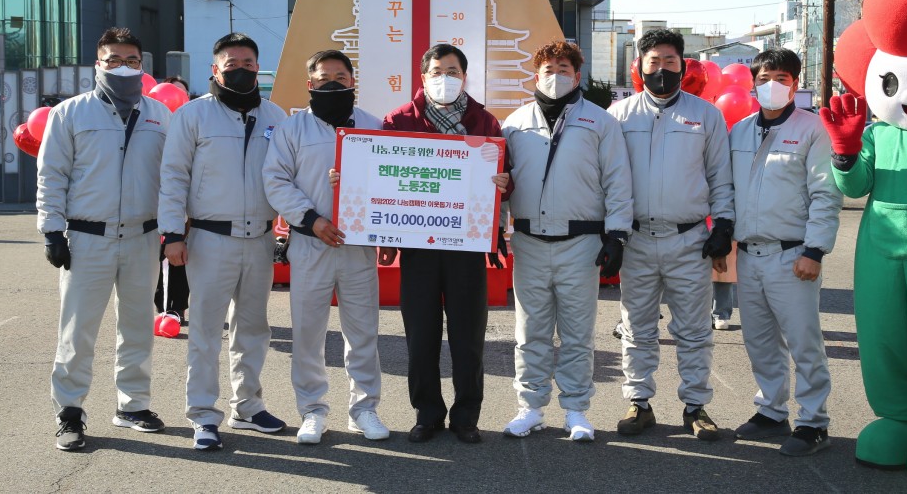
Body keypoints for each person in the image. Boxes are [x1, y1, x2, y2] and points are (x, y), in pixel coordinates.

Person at [36, 27, 172, 451]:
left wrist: (173, 229)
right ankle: (70, 411)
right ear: (98, 64)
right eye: (112, 60)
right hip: (86, 238)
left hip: (143, 237)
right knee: (77, 332)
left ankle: (132, 405)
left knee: (136, 328)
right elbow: (51, 174)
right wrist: (51, 229)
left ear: (142, 65)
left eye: (130, 60)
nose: (122, 66)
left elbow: (174, 177)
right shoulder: (70, 114)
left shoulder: (160, 115)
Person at [159, 32, 288, 450]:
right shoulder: (193, 116)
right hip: (210, 239)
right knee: (206, 331)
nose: (241, 70)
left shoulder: (277, 117)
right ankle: (202, 414)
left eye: (248, 64)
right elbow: (174, 176)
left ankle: (247, 406)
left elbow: (291, 175)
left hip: (261, 240)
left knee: (252, 328)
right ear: (215, 70)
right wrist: (173, 234)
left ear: (258, 68)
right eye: (231, 65)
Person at [501, 40, 633, 442]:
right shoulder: (513, 124)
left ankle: (576, 409)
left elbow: (617, 180)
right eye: (548, 69)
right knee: (531, 331)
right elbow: (497, 186)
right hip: (529, 242)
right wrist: (492, 229)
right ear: (534, 75)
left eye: (563, 68)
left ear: (577, 76)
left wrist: (617, 235)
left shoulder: (600, 122)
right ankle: (531, 407)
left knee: (577, 332)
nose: (555, 76)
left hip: (582, 243)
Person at [607, 28, 734, 442]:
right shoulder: (619, 117)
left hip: (689, 240)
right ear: (640, 67)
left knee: (694, 329)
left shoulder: (706, 115)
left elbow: (720, 176)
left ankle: (696, 406)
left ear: (683, 66)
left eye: (670, 62)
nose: (661, 69)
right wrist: (611, 234)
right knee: (636, 327)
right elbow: (605, 179)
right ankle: (639, 403)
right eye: (653, 62)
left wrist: (724, 226)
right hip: (637, 240)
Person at [380, 44, 508, 444]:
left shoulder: (484, 121)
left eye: (452, 71)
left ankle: (466, 415)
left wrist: (504, 183)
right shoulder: (398, 120)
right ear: (423, 77)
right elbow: (382, 179)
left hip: (467, 245)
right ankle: (428, 413)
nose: (444, 78)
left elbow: (507, 175)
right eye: (437, 71)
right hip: (418, 245)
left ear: (464, 77)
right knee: (421, 335)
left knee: (468, 336)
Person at [262, 49, 390, 445]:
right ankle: (312, 410)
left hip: (357, 247)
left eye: (340, 76)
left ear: (353, 82)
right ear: (310, 84)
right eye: (324, 77)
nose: (332, 83)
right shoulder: (292, 128)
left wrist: (386, 234)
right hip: (310, 244)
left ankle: (364, 409)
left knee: (363, 331)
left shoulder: (374, 125)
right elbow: (276, 180)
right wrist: (312, 219)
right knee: (308, 332)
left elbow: (390, 182)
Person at [729, 48, 842, 456]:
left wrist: (814, 249)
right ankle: (771, 411)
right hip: (749, 253)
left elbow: (825, 194)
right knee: (759, 341)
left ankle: (813, 422)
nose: (771, 85)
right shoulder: (739, 131)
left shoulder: (812, 130)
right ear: (752, 83)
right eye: (763, 78)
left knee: (803, 341)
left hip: (792, 254)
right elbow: (727, 190)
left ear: (795, 83)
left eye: (780, 77)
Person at [154, 76, 191, 323]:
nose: (174, 97)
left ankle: (177, 308)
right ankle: (162, 306)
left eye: (180, 93)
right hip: (153, 204)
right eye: (169, 91)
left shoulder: (191, 123)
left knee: (180, 259)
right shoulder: (151, 122)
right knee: (157, 259)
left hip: (184, 205)